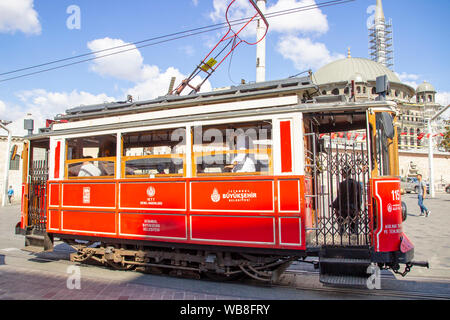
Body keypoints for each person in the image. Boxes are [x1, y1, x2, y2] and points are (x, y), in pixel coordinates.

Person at [332, 166, 362, 235]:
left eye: (342, 173)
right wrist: (358, 208)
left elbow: (340, 198)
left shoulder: (342, 184)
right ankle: (355, 240)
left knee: (342, 226)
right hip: (354, 209)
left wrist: (334, 205)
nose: (342, 175)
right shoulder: (357, 184)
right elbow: (359, 198)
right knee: (354, 228)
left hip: (344, 210)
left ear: (345, 173)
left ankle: (342, 236)